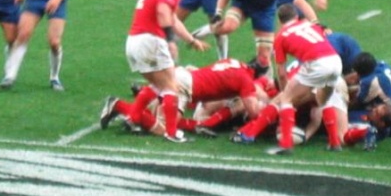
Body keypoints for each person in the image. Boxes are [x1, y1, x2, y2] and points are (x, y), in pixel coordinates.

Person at [232, 4, 341, 155]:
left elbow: (281, 73)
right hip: (335, 61)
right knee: (325, 100)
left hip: (315, 64)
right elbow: (323, 33)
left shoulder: (281, 36)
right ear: (296, 16)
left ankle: (285, 144)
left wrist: (285, 92)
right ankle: (335, 143)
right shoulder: (309, 25)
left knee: (285, 100)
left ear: (279, 20)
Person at [124, 0, 208, 143]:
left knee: (158, 84)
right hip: (150, 40)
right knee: (171, 86)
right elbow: (163, 12)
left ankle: (133, 118)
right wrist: (170, 41)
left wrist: (191, 40)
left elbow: (173, 19)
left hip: (134, 41)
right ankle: (171, 133)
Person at [100, 58, 267, 137]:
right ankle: (118, 106)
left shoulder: (234, 62)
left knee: (158, 114)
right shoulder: (246, 80)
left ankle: (131, 110)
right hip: (185, 87)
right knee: (164, 128)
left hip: (183, 76)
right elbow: (254, 112)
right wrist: (269, 115)